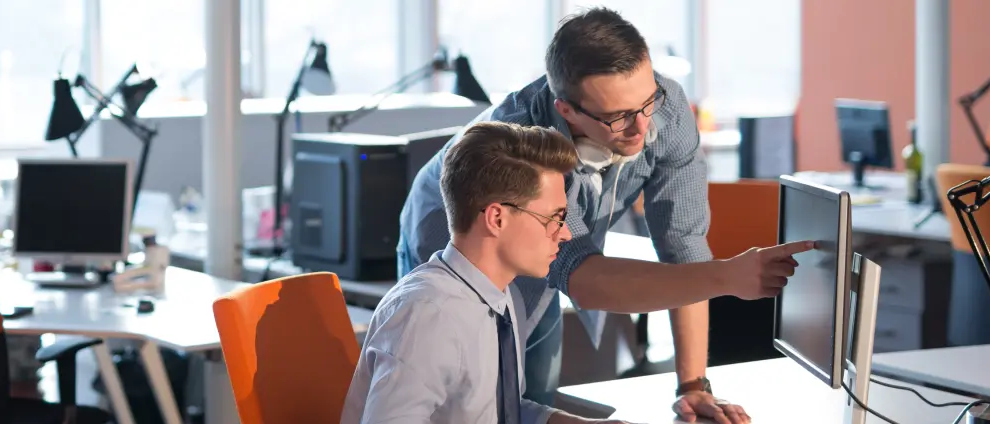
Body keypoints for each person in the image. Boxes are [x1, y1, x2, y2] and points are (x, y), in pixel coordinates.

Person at [397, 7, 813, 424]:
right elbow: (584, 278)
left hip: (539, 257)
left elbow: (683, 247)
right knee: (466, 403)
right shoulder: (525, 147)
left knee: (524, 398)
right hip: (460, 244)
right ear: (567, 111)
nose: (641, 128)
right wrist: (729, 277)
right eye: (617, 117)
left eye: (647, 102)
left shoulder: (664, 112)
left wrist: (692, 386)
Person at [344, 122, 631, 424]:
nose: (565, 235)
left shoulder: (503, 298)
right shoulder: (427, 315)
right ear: (496, 218)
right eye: (555, 218)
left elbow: (500, 411)